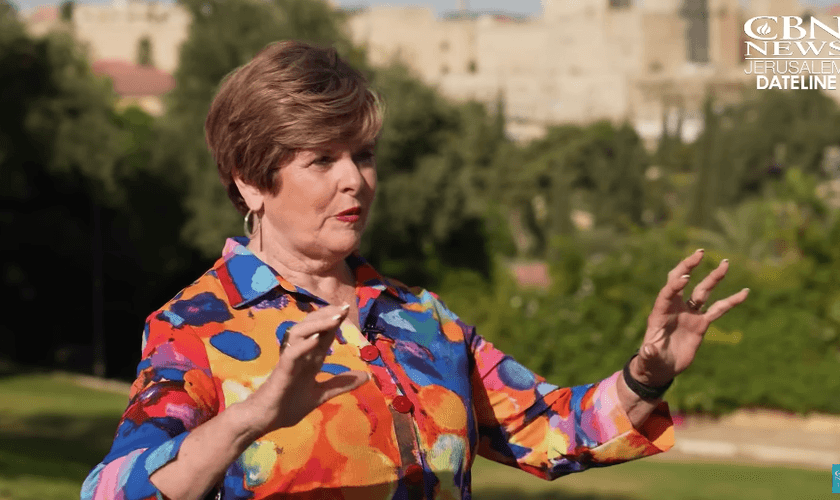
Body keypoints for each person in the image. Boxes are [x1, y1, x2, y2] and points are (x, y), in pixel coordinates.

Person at [81, 40, 749, 500]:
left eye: (364, 155)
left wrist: (648, 372)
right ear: (250, 181)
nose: (356, 181)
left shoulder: (421, 320)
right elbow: (118, 490)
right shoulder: (194, 327)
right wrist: (251, 417)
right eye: (323, 160)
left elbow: (550, 432)